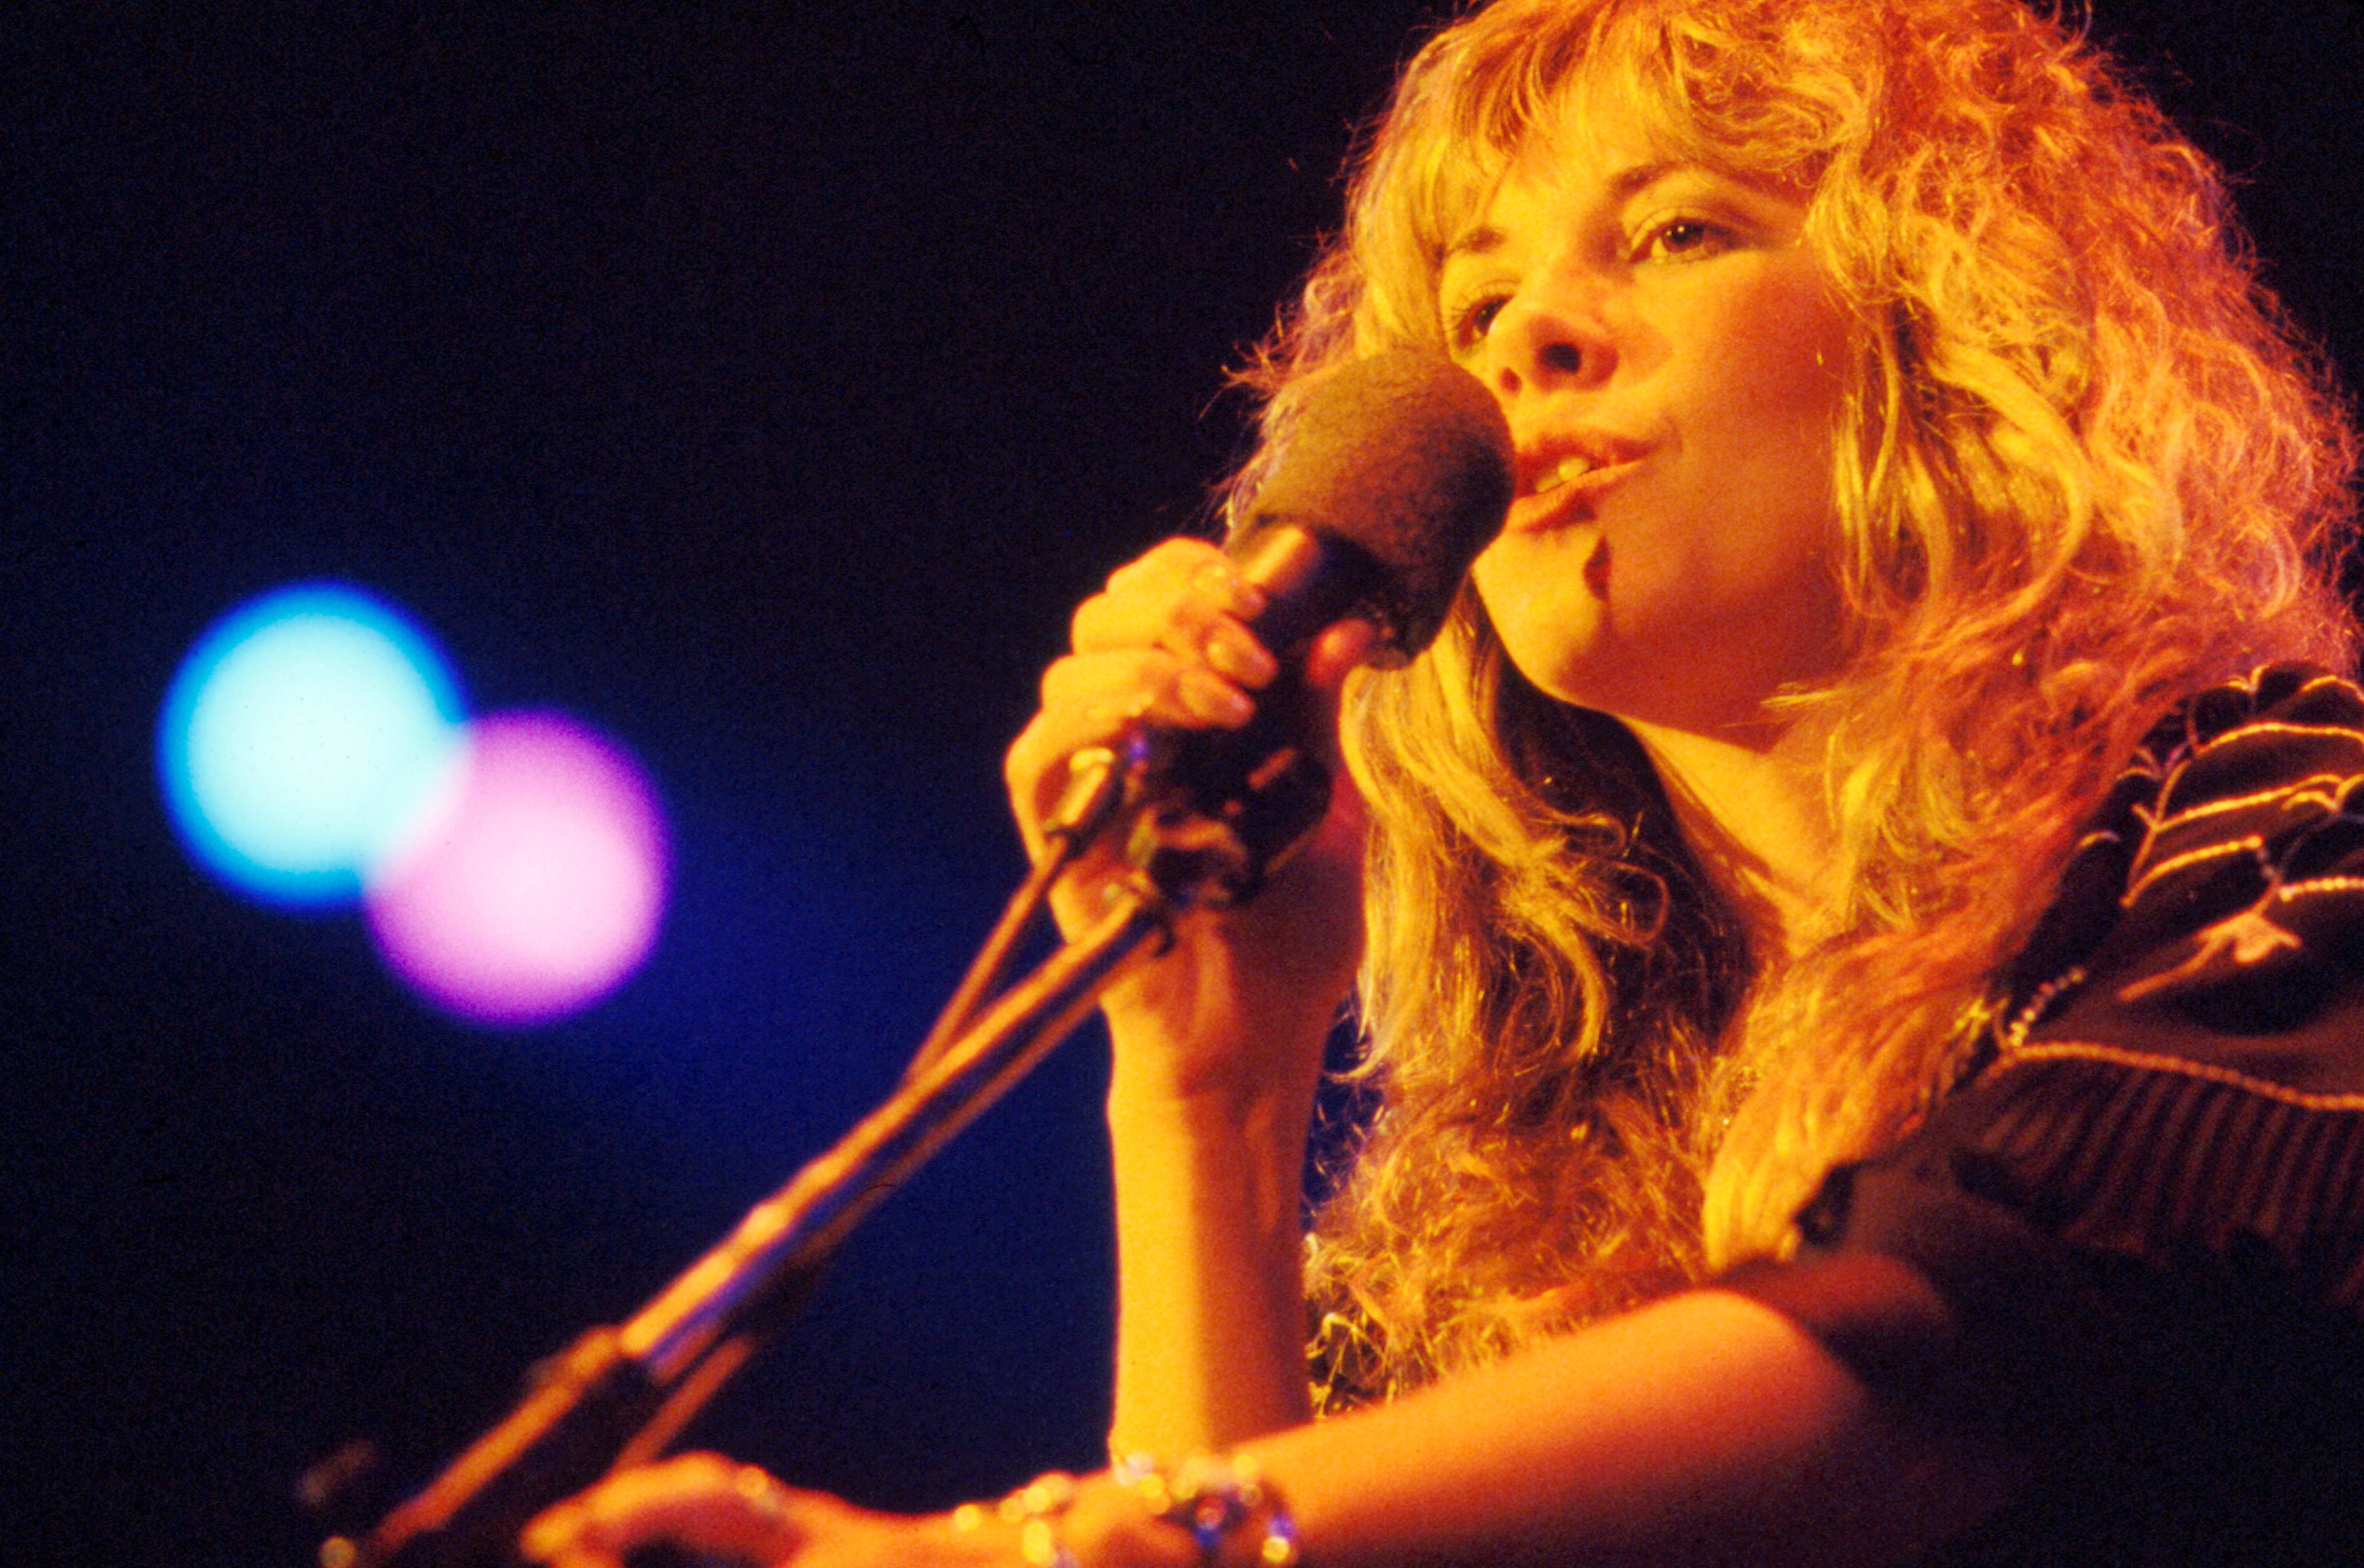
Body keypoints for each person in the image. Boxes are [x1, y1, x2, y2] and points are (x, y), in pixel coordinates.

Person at [523, 0, 2364, 1562]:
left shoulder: (2278, 830)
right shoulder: (1530, 1192)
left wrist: (1021, 1548)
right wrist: (1210, 1086)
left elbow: (1969, 1342)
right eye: (1476, 302)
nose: (1524, 345)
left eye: (1676, 234)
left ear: (1961, 334)